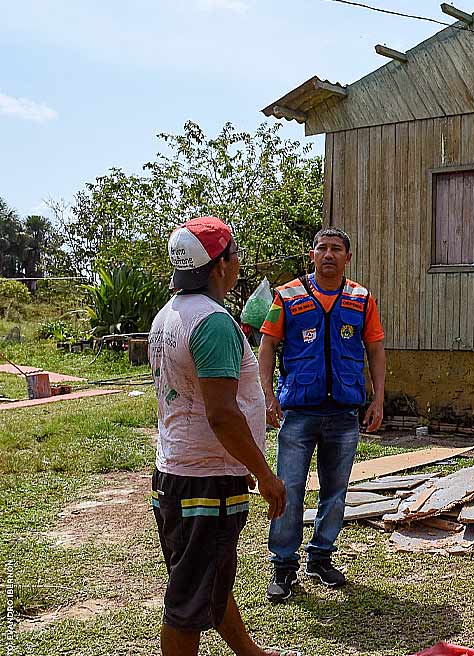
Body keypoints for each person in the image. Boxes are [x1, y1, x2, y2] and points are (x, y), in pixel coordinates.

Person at [149, 216, 292, 656]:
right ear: (218, 266)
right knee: (188, 600)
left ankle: (250, 653)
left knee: (205, 577)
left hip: (180, 471)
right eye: (234, 257)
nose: (237, 265)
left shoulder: (168, 313)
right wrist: (265, 474)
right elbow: (222, 415)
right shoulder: (212, 322)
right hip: (205, 484)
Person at [259, 227, 386, 603]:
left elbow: (376, 350)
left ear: (348, 257)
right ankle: (283, 566)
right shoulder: (287, 295)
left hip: (344, 414)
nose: (328, 254)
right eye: (322, 248)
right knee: (288, 490)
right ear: (311, 255)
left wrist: (378, 399)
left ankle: (321, 558)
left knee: (335, 492)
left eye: (336, 249)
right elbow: (267, 346)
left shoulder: (361, 299)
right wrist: (268, 394)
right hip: (298, 413)